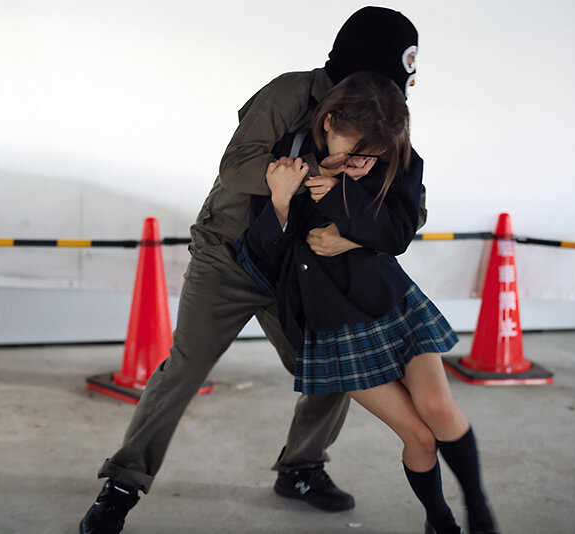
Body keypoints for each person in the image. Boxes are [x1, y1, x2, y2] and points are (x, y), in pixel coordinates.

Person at [79, 7, 424, 534]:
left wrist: (352, 226)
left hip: (302, 267)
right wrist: (312, 174)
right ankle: (123, 482)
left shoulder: (382, 120)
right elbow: (236, 167)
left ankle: (301, 467)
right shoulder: (290, 94)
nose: (386, 100)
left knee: (335, 370)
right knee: (185, 366)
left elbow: (409, 208)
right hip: (229, 254)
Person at [236, 70, 498, 534]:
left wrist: (348, 225)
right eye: (353, 153)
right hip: (333, 325)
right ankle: (440, 522)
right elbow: (262, 258)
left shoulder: (392, 156)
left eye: (371, 157)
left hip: (389, 301)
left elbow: (397, 233)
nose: (361, 164)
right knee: (418, 436)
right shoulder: (289, 161)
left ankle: (479, 510)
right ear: (329, 121)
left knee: (438, 408)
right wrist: (279, 202)